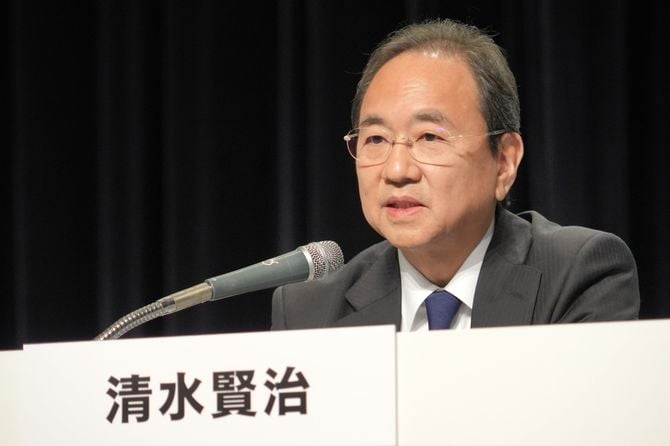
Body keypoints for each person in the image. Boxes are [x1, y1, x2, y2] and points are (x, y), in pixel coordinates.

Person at [271, 19, 639, 331]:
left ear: (504, 161)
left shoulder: (578, 274)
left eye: (429, 137)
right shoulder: (309, 312)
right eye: (376, 139)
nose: (397, 171)